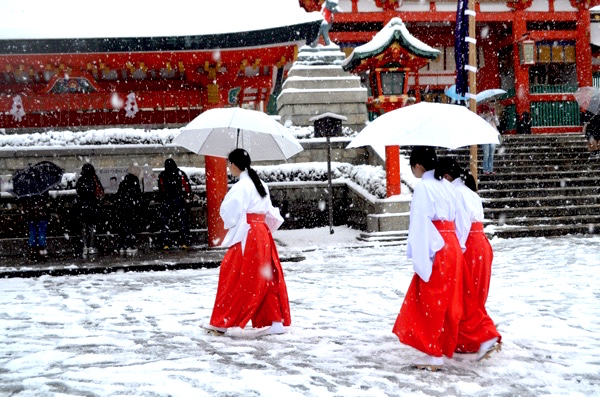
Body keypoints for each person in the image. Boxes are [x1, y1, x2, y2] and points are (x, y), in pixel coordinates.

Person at [392, 146, 470, 371]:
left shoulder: (424, 187)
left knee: (430, 299)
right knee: (446, 301)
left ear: (417, 165)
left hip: (437, 246)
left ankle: (433, 350)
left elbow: (420, 221)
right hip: (451, 244)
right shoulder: (447, 186)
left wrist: (421, 253)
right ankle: (439, 346)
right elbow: (457, 218)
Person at [203, 148, 291, 336]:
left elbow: (229, 212)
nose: (228, 168)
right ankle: (275, 320)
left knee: (234, 274)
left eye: (229, 164)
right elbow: (270, 212)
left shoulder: (241, 186)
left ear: (234, 165)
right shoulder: (261, 184)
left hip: (249, 234)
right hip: (262, 233)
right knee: (266, 276)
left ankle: (224, 321)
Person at [435, 157, 502, 359]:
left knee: (465, 296)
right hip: (481, 243)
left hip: (469, 246)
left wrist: (458, 249)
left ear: (447, 176)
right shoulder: (470, 193)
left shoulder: (455, 193)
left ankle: (484, 333)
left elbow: (462, 225)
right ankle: (473, 335)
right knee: (475, 293)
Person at [158, 159, 191, 250]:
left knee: (165, 222)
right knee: (182, 221)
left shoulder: (162, 175)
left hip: (167, 200)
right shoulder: (181, 174)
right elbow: (186, 187)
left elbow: (161, 189)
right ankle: (185, 241)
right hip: (179, 200)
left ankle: (166, 242)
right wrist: (186, 196)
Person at [75, 163, 104, 255]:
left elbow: (78, 192)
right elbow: (100, 190)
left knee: (83, 226)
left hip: (82, 206)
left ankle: (84, 246)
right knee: (92, 227)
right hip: (92, 205)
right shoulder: (94, 179)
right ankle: (91, 246)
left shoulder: (80, 180)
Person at [115, 165, 143, 254]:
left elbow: (119, 194)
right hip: (131, 208)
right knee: (131, 227)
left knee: (123, 227)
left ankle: (121, 246)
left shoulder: (123, 181)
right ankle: (129, 245)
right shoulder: (134, 181)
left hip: (122, 208)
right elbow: (137, 195)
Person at [21, 192, 51, 261]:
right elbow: (46, 202)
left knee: (33, 233)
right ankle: (41, 253)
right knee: (41, 233)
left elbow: (25, 204)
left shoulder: (26, 191)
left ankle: (33, 252)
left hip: (31, 215)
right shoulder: (43, 190)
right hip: (42, 215)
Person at [480, 103, 500, 175]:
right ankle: (485, 169)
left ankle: (490, 169)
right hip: (485, 136)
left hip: (493, 136)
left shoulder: (493, 115)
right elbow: (483, 123)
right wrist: (488, 116)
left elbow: (497, 124)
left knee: (491, 154)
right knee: (486, 153)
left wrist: (494, 117)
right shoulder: (482, 116)